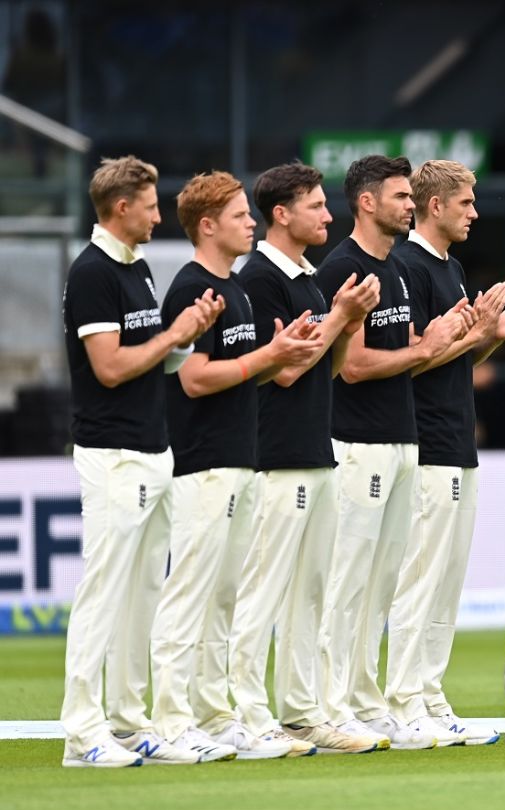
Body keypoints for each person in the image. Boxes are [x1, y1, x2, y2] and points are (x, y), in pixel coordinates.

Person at [149, 171, 321, 763]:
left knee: (223, 595)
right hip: (204, 463)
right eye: (241, 214)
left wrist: (289, 349)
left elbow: (260, 368)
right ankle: (170, 722)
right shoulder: (191, 287)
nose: (252, 221)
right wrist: (269, 357)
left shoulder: (238, 289)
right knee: (190, 593)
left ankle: (215, 716)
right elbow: (194, 379)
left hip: (243, 461)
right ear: (207, 225)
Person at [60, 156, 222, 767]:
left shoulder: (136, 271)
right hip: (114, 454)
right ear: (121, 207)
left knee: (143, 594)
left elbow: (156, 359)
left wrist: (188, 334)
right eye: (151, 206)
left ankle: (129, 724)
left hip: (155, 450)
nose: (160, 215)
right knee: (105, 591)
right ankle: (82, 732)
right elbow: (110, 367)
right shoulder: (95, 272)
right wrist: (174, 333)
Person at [314, 155, 468, 751]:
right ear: (368, 203)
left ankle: (363, 701)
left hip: (402, 441)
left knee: (379, 587)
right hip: (358, 444)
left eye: (411, 196)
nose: (411, 205)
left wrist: (463, 335)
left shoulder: (395, 272)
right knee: (348, 584)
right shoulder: (346, 269)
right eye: (401, 197)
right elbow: (352, 367)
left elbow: (412, 351)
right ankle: (331, 707)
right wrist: (426, 347)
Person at [384, 160, 505, 747]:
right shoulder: (406, 267)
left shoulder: (448, 267)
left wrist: (489, 337)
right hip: (424, 441)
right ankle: (403, 700)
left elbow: (453, 357)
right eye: (466, 203)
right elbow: (417, 356)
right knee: (420, 577)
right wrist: (478, 334)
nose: (475, 212)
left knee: (447, 579)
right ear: (434, 206)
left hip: (455, 439)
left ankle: (428, 692)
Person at [230, 162, 383, 756]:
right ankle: (245, 713)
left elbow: (337, 364)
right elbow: (287, 369)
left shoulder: (312, 278)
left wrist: (349, 320)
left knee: (309, 593)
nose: (327, 215)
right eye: (315, 206)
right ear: (281, 214)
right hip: (277, 454)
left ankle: (300, 712)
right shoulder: (260, 279)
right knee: (263, 591)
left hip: (316, 452)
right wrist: (343, 317)